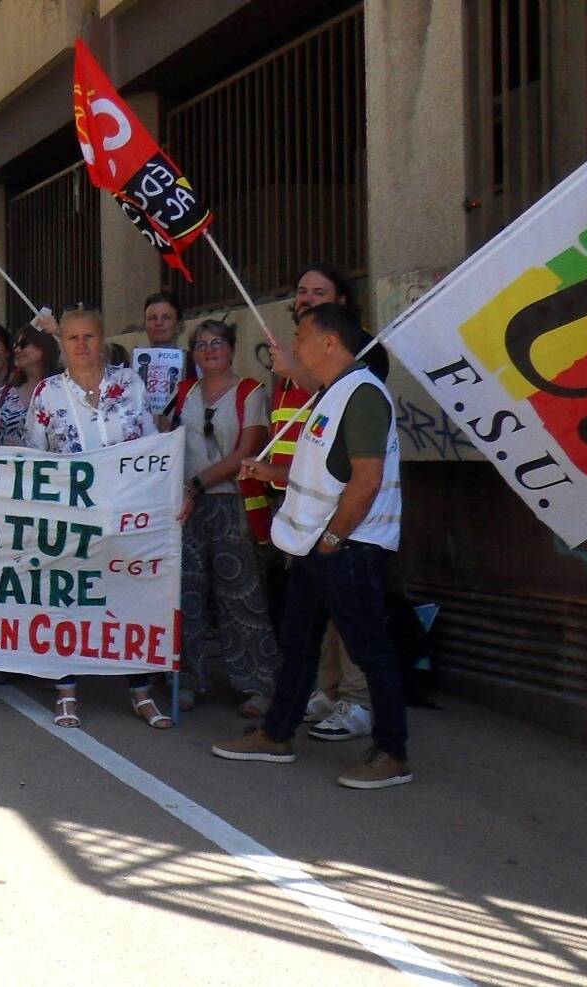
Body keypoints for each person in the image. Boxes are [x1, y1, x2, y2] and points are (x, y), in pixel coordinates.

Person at [212, 303, 413, 789]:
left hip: (348, 545)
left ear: (329, 342)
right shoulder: (332, 394)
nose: (294, 346)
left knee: (370, 649)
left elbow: (367, 479)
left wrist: (333, 539)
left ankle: (392, 753)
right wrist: (271, 472)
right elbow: (323, 472)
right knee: (298, 642)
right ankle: (276, 734)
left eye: (301, 336)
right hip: (315, 542)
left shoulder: (362, 394)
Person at [24, 308, 171, 730]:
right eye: (73, 337)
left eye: (89, 336)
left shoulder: (129, 384)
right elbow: (35, 457)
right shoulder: (48, 393)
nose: (82, 344)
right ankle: (67, 691)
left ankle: (140, 691)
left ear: (102, 339)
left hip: (128, 512)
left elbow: (151, 446)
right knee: (69, 599)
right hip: (72, 516)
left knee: (131, 598)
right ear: (62, 344)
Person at [270, 264, 374, 741]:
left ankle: (359, 700)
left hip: (344, 515)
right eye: (301, 291)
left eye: (319, 292)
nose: (306, 298)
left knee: (351, 612)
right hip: (303, 507)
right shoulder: (295, 356)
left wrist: (299, 373)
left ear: (342, 303)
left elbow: (345, 403)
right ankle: (328, 691)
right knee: (315, 614)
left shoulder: (363, 353)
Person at [166, 320, 282, 715]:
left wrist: (197, 484)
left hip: (232, 502)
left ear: (231, 348)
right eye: (201, 344)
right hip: (187, 505)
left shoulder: (251, 391)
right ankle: (187, 679)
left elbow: (245, 453)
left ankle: (257, 682)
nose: (209, 350)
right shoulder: (184, 392)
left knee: (241, 594)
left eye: (217, 342)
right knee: (187, 592)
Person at [0, 327, 60, 449]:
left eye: (23, 344)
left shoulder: (61, 391)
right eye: (16, 345)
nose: (16, 350)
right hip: (4, 461)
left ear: (43, 347)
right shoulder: (6, 392)